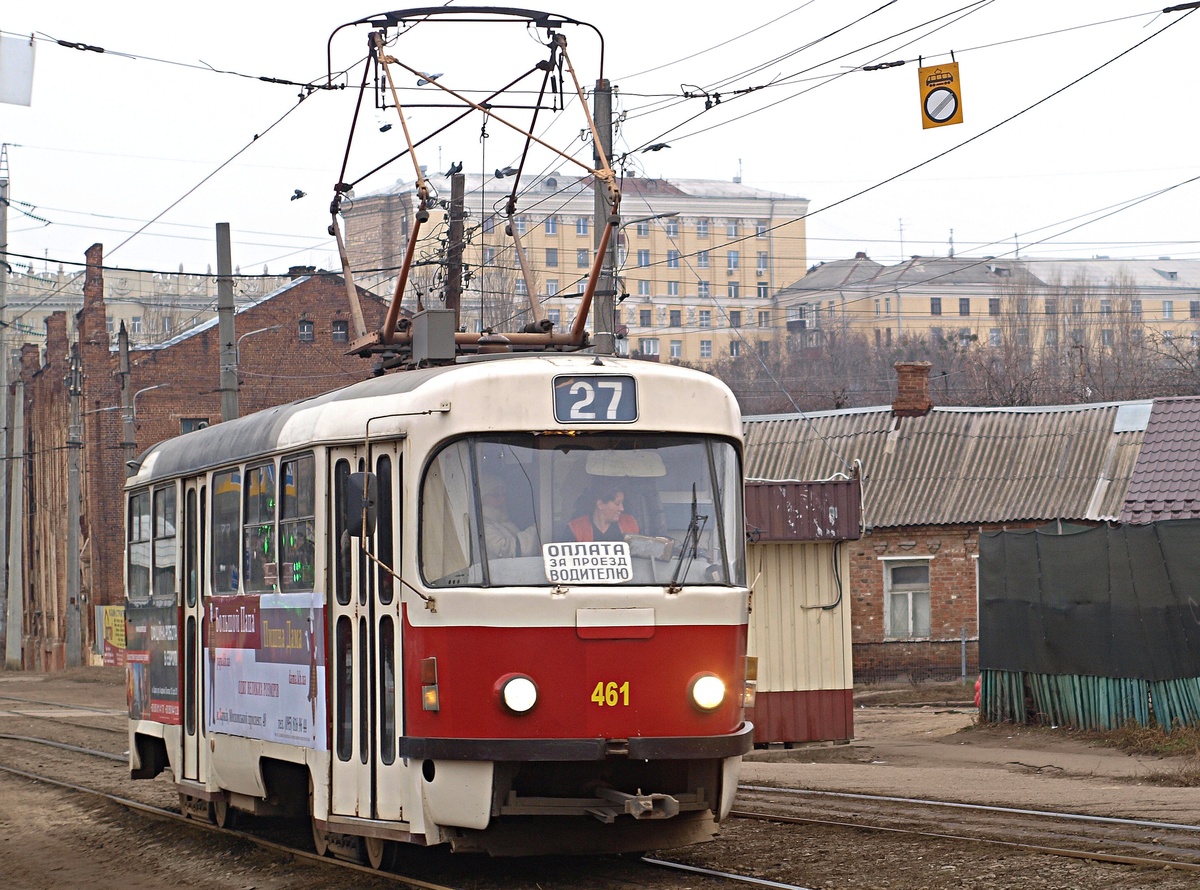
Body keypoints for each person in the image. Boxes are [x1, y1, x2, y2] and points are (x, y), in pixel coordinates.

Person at [481, 475, 539, 558]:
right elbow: (511, 550)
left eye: (504, 494)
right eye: (495, 495)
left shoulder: (504, 522)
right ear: (482, 497)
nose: (502, 499)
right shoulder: (482, 526)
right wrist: (539, 528)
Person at [569, 483, 639, 542]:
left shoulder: (629, 524)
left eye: (622, 503)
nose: (622, 508)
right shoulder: (576, 529)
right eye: (617, 503)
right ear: (600, 505)